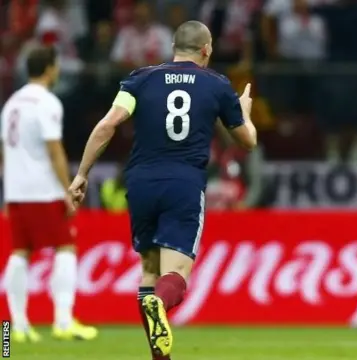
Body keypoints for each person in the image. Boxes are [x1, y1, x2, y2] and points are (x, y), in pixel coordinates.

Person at [67, 21, 257, 359]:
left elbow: (108, 124)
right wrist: (245, 113)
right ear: (207, 49)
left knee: (149, 271)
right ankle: (159, 303)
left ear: (174, 47)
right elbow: (248, 141)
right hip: (183, 182)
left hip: (140, 182)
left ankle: (160, 357)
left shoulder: (140, 78)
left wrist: (82, 174)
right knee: (175, 275)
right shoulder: (216, 84)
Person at [0, 46, 98, 343]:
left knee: (21, 252)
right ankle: (64, 321)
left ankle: (16, 327)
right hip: (42, 190)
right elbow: (54, 149)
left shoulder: (11, 103)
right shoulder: (47, 102)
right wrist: (69, 188)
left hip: (17, 190)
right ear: (50, 69)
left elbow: (4, 150)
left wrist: (7, 191)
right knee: (65, 248)